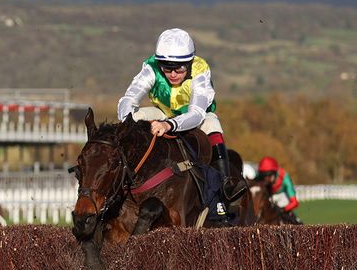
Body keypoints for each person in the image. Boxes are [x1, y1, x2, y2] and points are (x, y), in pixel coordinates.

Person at [117, 28, 245, 218]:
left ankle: (226, 185)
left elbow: (196, 113)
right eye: (167, 68)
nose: (173, 74)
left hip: (197, 117)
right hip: (164, 112)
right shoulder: (151, 67)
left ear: (189, 63)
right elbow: (128, 99)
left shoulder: (200, 69)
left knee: (213, 125)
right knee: (134, 118)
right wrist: (126, 121)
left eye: (179, 68)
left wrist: (169, 125)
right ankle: (120, 172)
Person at [257, 156, 301, 222]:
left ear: (274, 173)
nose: (265, 179)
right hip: (268, 198)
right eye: (263, 175)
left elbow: (295, 202)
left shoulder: (285, 178)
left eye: (268, 175)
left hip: (283, 200)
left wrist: (283, 209)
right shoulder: (259, 178)